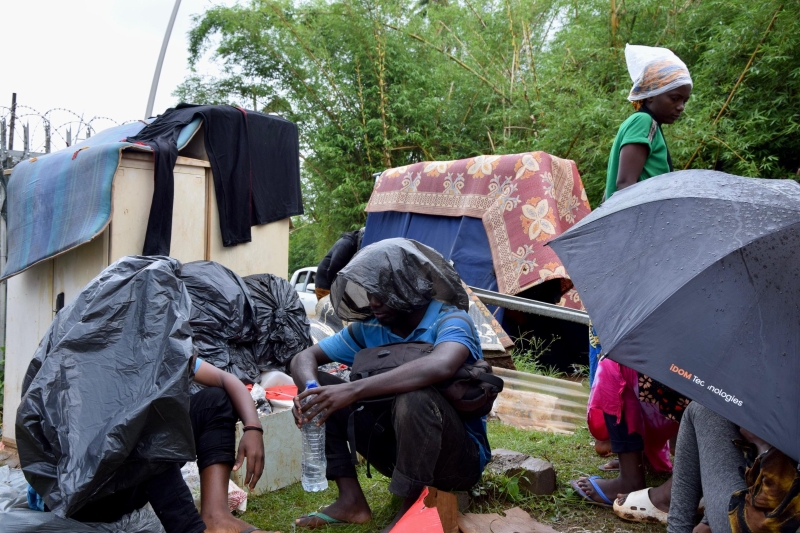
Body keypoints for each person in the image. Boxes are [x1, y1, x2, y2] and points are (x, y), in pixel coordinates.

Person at [289, 238, 489, 532]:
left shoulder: (452, 321)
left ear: (409, 287)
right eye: (370, 292)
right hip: (394, 452)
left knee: (415, 396)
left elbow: (441, 364)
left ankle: (411, 512)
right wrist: (309, 389)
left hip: (457, 462)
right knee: (319, 391)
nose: (374, 302)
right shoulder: (370, 327)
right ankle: (351, 501)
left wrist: (352, 390)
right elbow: (304, 356)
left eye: (383, 293)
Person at [573, 43, 693, 520]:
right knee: (625, 364)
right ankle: (630, 475)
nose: (681, 106)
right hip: (632, 255)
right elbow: (627, 188)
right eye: (676, 97)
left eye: (685, 98)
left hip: (633, 252)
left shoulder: (649, 126)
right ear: (650, 94)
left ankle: (643, 458)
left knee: (636, 360)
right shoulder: (642, 123)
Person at [67, 358, 274, 533]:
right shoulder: (90, 348)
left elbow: (225, 378)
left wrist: (253, 427)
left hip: (136, 478)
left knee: (215, 401)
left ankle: (216, 517)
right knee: (149, 420)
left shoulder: (155, 340)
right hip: (92, 495)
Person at [667, 402, 800, 533]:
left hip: (760, 524)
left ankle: (677, 529)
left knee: (703, 408)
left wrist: (763, 447)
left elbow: (778, 492)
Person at [314, 228, 364, 300]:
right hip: (326, 284)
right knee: (332, 310)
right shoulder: (346, 244)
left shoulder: (353, 245)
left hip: (334, 283)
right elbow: (334, 268)